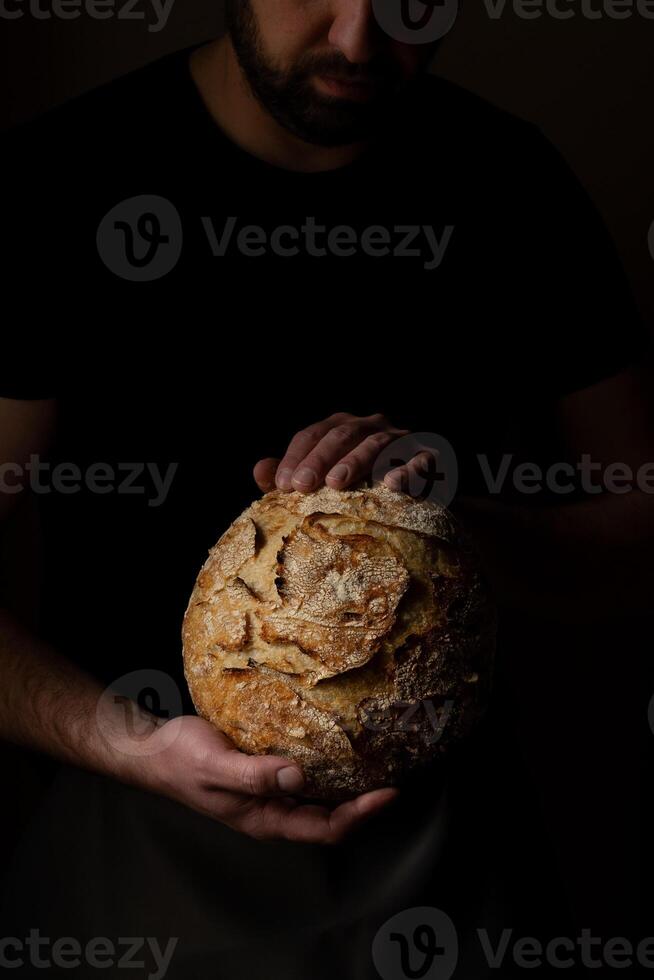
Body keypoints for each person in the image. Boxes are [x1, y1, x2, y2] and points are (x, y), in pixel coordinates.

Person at [1, 0, 653, 975]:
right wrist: (124, 740)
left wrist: (449, 523)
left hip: (444, 846)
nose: (359, 40)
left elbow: (639, 534)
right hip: (134, 831)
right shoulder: (60, 180)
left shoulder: (510, 183)